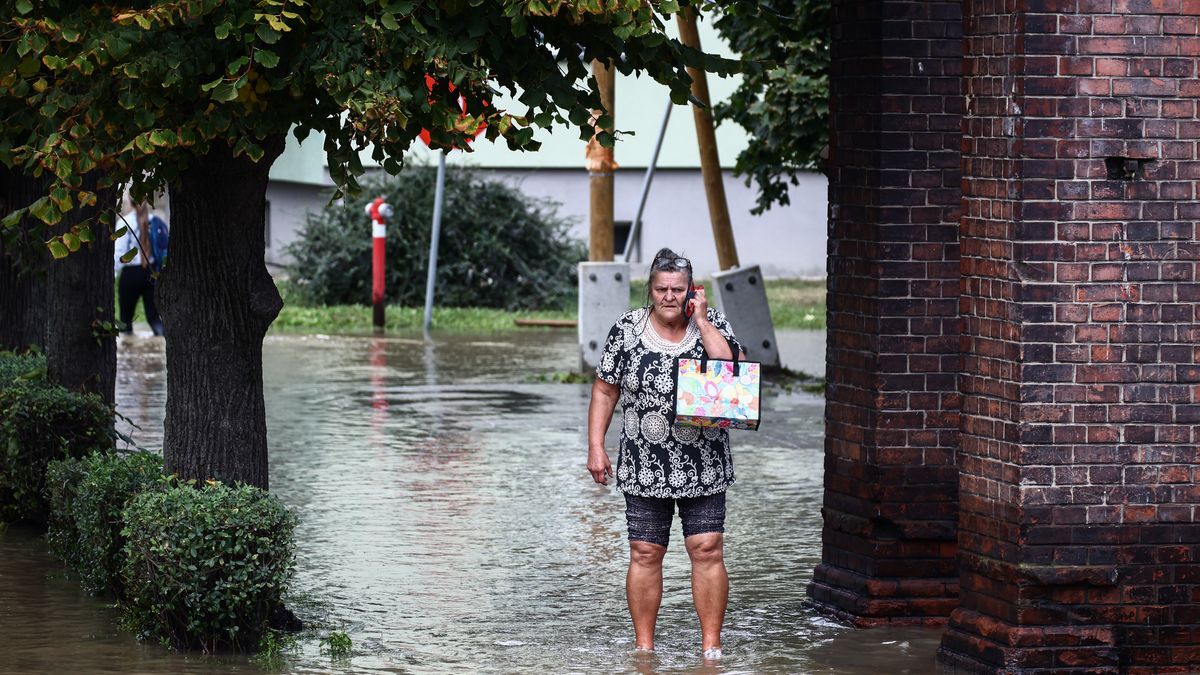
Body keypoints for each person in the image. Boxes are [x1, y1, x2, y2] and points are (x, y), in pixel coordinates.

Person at [587, 248, 743, 659]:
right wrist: (596, 447)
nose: (670, 296)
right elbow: (605, 389)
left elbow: (734, 370)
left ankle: (711, 648)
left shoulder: (711, 325)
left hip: (704, 461)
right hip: (643, 462)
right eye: (661, 288)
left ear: (691, 290)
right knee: (645, 551)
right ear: (650, 290)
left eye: (678, 289)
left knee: (707, 547)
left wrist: (704, 321)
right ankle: (645, 648)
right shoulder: (627, 330)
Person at [113, 201, 168, 336]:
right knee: (154, 316)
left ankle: (127, 352)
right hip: (152, 272)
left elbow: (120, 253)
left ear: (131, 202)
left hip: (130, 275)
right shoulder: (155, 220)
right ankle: (162, 343)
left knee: (125, 320)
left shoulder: (125, 222)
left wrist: (113, 274)